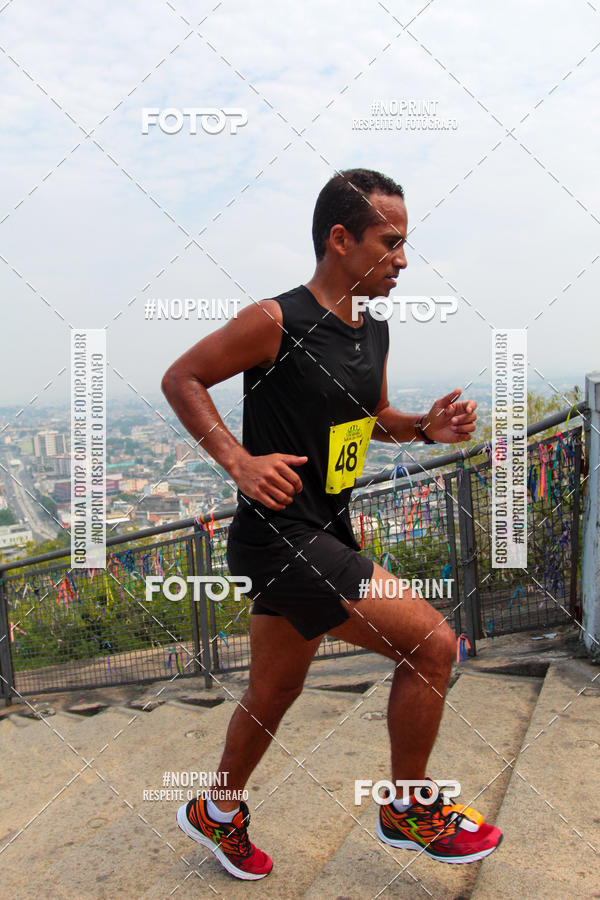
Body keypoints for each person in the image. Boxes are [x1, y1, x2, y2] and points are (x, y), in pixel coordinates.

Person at [162, 168, 502, 881]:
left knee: (273, 692)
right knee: (433, 647)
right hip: (281, 536)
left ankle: (216, 811)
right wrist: (237, 461)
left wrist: (424, 429)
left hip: (326, 529)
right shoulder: (275, 321)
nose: (403, 260)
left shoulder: (372, 330)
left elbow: (373, 419)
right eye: (391, 242)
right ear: (340, 239)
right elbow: (181, 377)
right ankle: (408, 807)